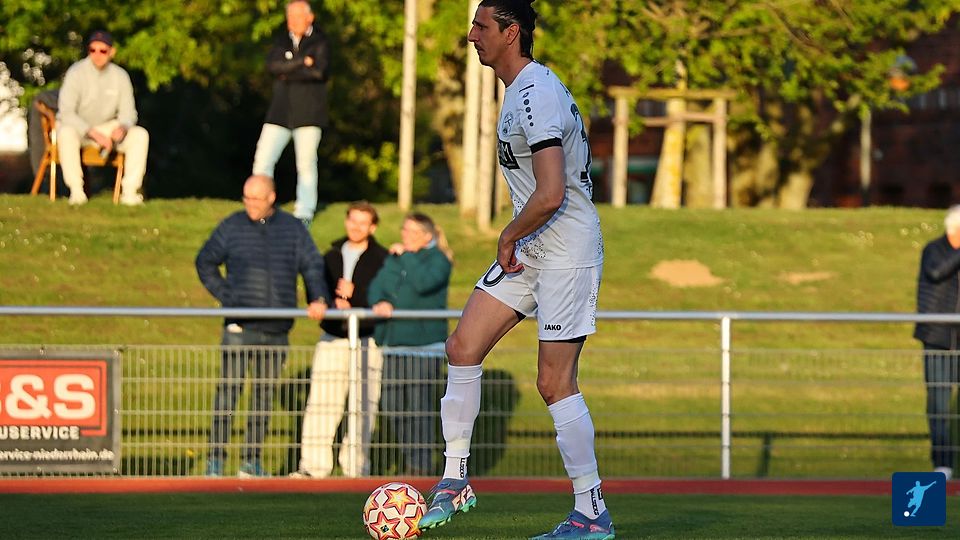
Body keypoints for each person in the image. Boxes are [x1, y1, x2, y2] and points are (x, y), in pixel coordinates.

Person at [418, 1, 614, 538]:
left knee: (554, 383)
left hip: (565, 250)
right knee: (462, 347)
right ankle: (454, 480)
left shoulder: (536, 93)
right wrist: (517, 237)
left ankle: (591, 513)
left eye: (481, 26)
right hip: (532, 246)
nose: (471, 35)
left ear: (511, 33)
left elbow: (551, 194)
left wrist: (507, 234)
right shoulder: (518, 91)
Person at [196, 174, 329, 477]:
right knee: (228, 394)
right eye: (246, 198)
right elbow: (205, 261)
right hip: (239, 327)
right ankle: (215, 461)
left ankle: (251, 461)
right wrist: (228, 297)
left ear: (272, 197)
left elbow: (312, 265)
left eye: (256, 199)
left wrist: (318, 297)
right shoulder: (232, 226)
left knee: (263, 397)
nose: (250, 204)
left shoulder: (293, 229)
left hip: (277, 329)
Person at [291, 201, 389, 478]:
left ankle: (356, 467)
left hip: (367, 340)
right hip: (333, 337)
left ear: (372, 227)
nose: (356, 227)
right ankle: (313, 466)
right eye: (352, 220)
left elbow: (384, 298)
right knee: (322, 402)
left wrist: (354, 297)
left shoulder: (383, 259)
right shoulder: (330, 255)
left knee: (364, 405)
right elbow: (316, 289)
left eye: (362, 222)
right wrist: (323, 302)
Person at [368, 213, 453, 476]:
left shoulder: (438, 259)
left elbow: (423, 283)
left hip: (424, 348)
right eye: (404, 230)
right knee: (392, 405)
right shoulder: (396, 258)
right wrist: (380, 302)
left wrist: (407, 256)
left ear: (427, 236)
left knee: (419, 407)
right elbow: (377, 287)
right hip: (394, 345)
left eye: (412, 231)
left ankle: (420, 464)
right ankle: (411, 458)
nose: (405, 235)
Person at [252, 0, 329, 226]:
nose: (293, 21)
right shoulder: (281, 40)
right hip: (280, 112)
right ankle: (259, 204)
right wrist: (302, 62)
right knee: (263, 159)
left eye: (297, 17)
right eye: (290, 17)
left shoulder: (320, 41)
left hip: (308, 114)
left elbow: (319, 72)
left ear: (310, 18)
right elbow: (273, 67)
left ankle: (304, 212)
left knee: (306, 164)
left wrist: (288, 69)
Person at [57, 30, 149, 206]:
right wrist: (92, 133)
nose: (97, 55)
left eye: (102, 50)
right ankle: (76, 191)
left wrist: (122, 127)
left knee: (140, 135)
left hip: (108, 128)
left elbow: (129, 113)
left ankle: (129, 193)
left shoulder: (120, 76)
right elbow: (66, 112)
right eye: (92, 50)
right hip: (81, 129)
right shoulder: (76, 72)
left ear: (111, 52)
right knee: (65, 132)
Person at [914, 205, 960, 481]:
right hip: (938, 337)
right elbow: (936, 272)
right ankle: (942, 463)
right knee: (939, 402)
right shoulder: (934, 250)